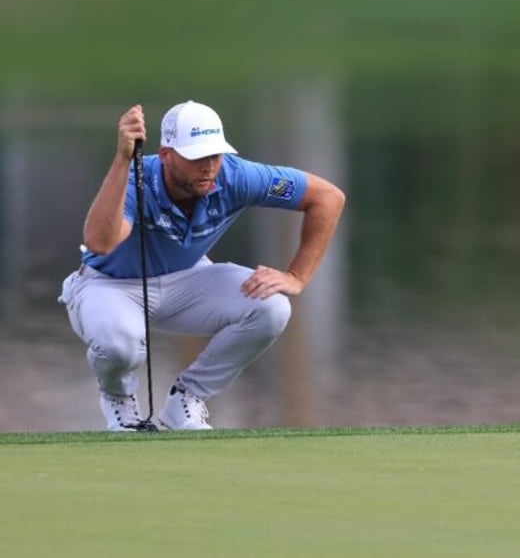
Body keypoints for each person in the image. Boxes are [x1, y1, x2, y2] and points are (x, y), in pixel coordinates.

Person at [58, 100, 346, 431]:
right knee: (119, 345)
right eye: (197, 157)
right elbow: (100, 242)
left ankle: (187, 399)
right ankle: (119, 401)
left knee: (272, 307)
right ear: (166, 156)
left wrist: (297, 275)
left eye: (215, 154)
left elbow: (327, 198)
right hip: (109, 285)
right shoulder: (135, 178)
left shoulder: (236, 177)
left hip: (187, 279)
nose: (209, 166)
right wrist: (123, 159)